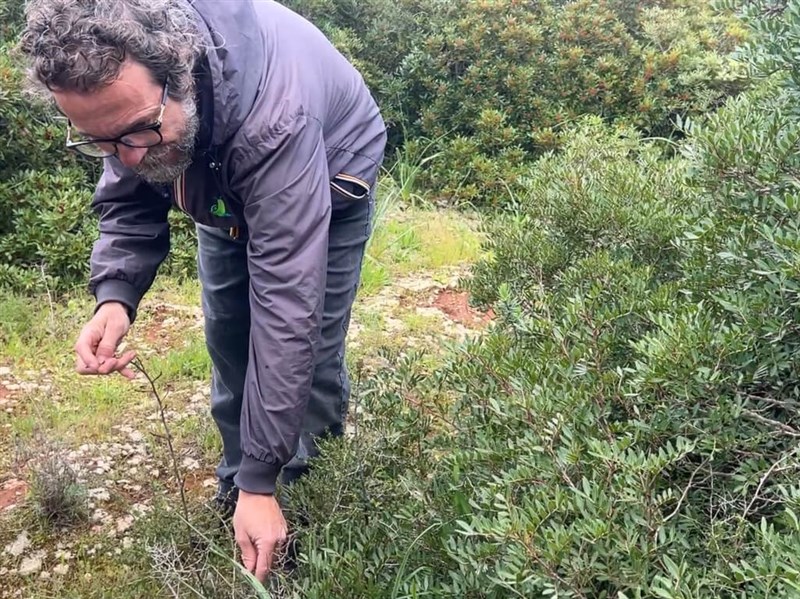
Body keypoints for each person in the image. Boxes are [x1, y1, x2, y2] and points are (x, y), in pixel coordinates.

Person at [20, 0, 386, 582]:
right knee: (228, 343)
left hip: (325, 178)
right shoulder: (130, 106)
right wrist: (115, 294)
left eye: (137, 131)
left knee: (307, 353)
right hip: (219, 184)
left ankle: (303, 508)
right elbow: (129, 191)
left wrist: (263, 481)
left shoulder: (277, 119)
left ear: (180, 76)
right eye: (101, 142)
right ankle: (238, 491)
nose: (129, 155)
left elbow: (285, 310)